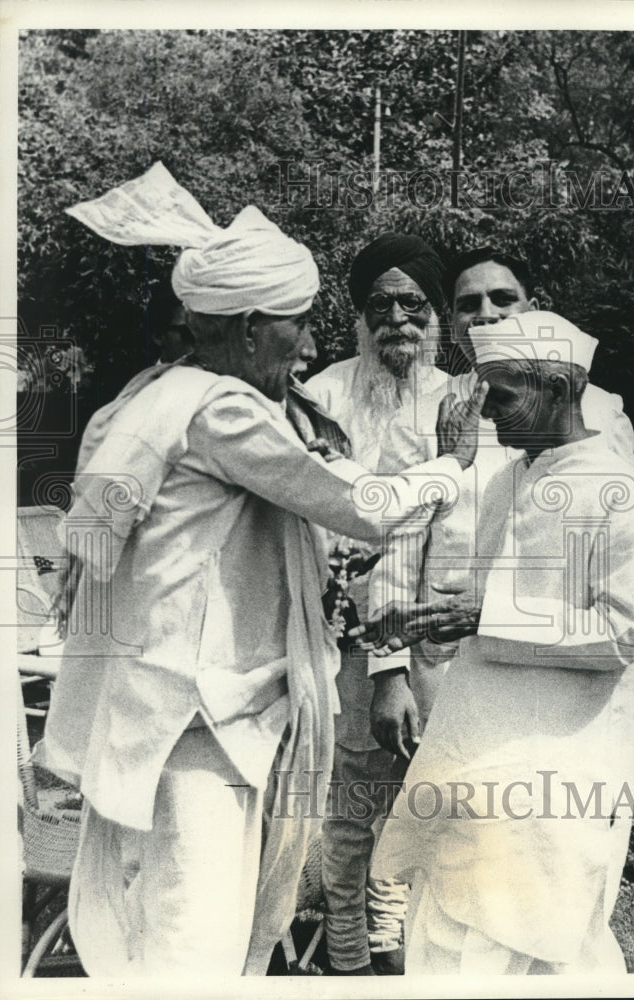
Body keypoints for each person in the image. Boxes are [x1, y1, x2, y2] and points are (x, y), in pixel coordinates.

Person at [33, 165, 485, 977]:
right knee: (193, 932)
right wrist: (452, 462)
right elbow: (363, 503)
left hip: (170, 709)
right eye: (298, 326)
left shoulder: (155, 396)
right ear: (247, 329)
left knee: (170, 920)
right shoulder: (223, 408)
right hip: (197, 716)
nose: (310, 345)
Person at [354, 311, 634, 974]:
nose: (484, 412)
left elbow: (622, 632)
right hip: (472, 756)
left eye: (499, 394)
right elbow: (453, 587)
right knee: (448, 937)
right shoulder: (507, 479)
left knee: (525, 946)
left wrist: (483, 616)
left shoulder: (615, 490)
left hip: (555, 768)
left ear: (557, 392)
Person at [305, 232, 449, 975]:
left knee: (418, 804)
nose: (398, 319)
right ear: (360, 318)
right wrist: (384, 658)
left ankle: (395, 949)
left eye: (413, 304)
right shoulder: (323, 395)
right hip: (350, 640)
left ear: (436, 315)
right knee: (354, 803)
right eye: (381, 305)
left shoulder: (462, 399)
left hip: (448, 646)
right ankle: (350, 956)